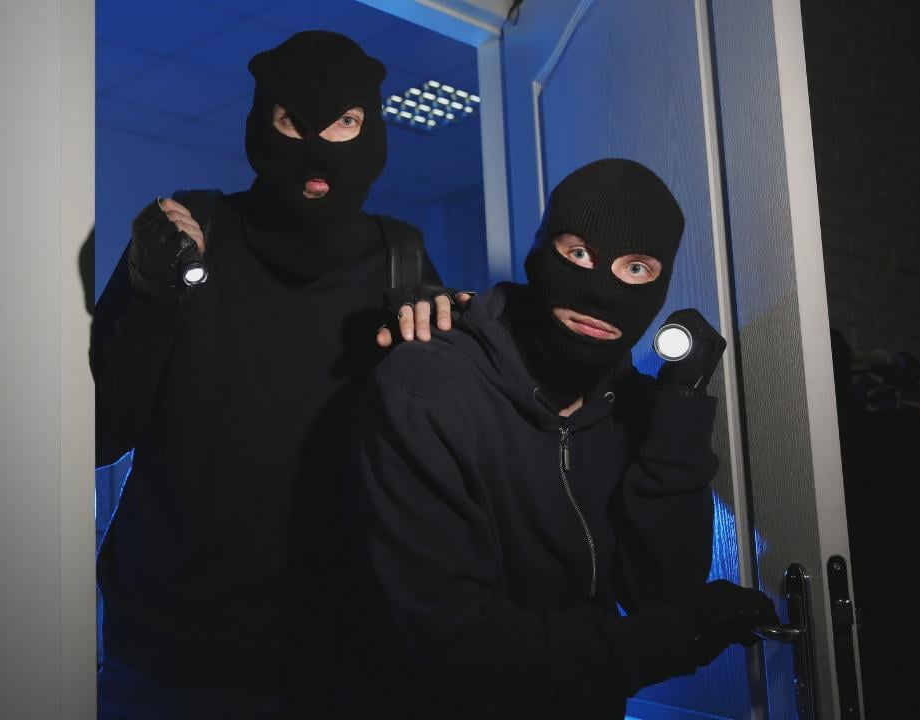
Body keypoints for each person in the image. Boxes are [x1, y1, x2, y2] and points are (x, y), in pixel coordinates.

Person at [91, 31, 469, 719]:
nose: (318, 152)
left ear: (371, 127)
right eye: (294, 121)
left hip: (340, 655)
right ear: (263, 120)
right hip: (168, 653)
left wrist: (440, 348)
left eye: (345, 123)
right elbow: (97, 434)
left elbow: (447, 469)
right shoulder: (187, 237)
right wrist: (154, 298)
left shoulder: (402, 262)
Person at [341, 158, 779, 718]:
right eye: (579, 255)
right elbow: (451, 646)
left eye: (636, 268)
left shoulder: (627, 404)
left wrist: (679, 407)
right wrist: (673, 639)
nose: (602, 293)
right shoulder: (423, 391)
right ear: (539, 251)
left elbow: (660, 591)